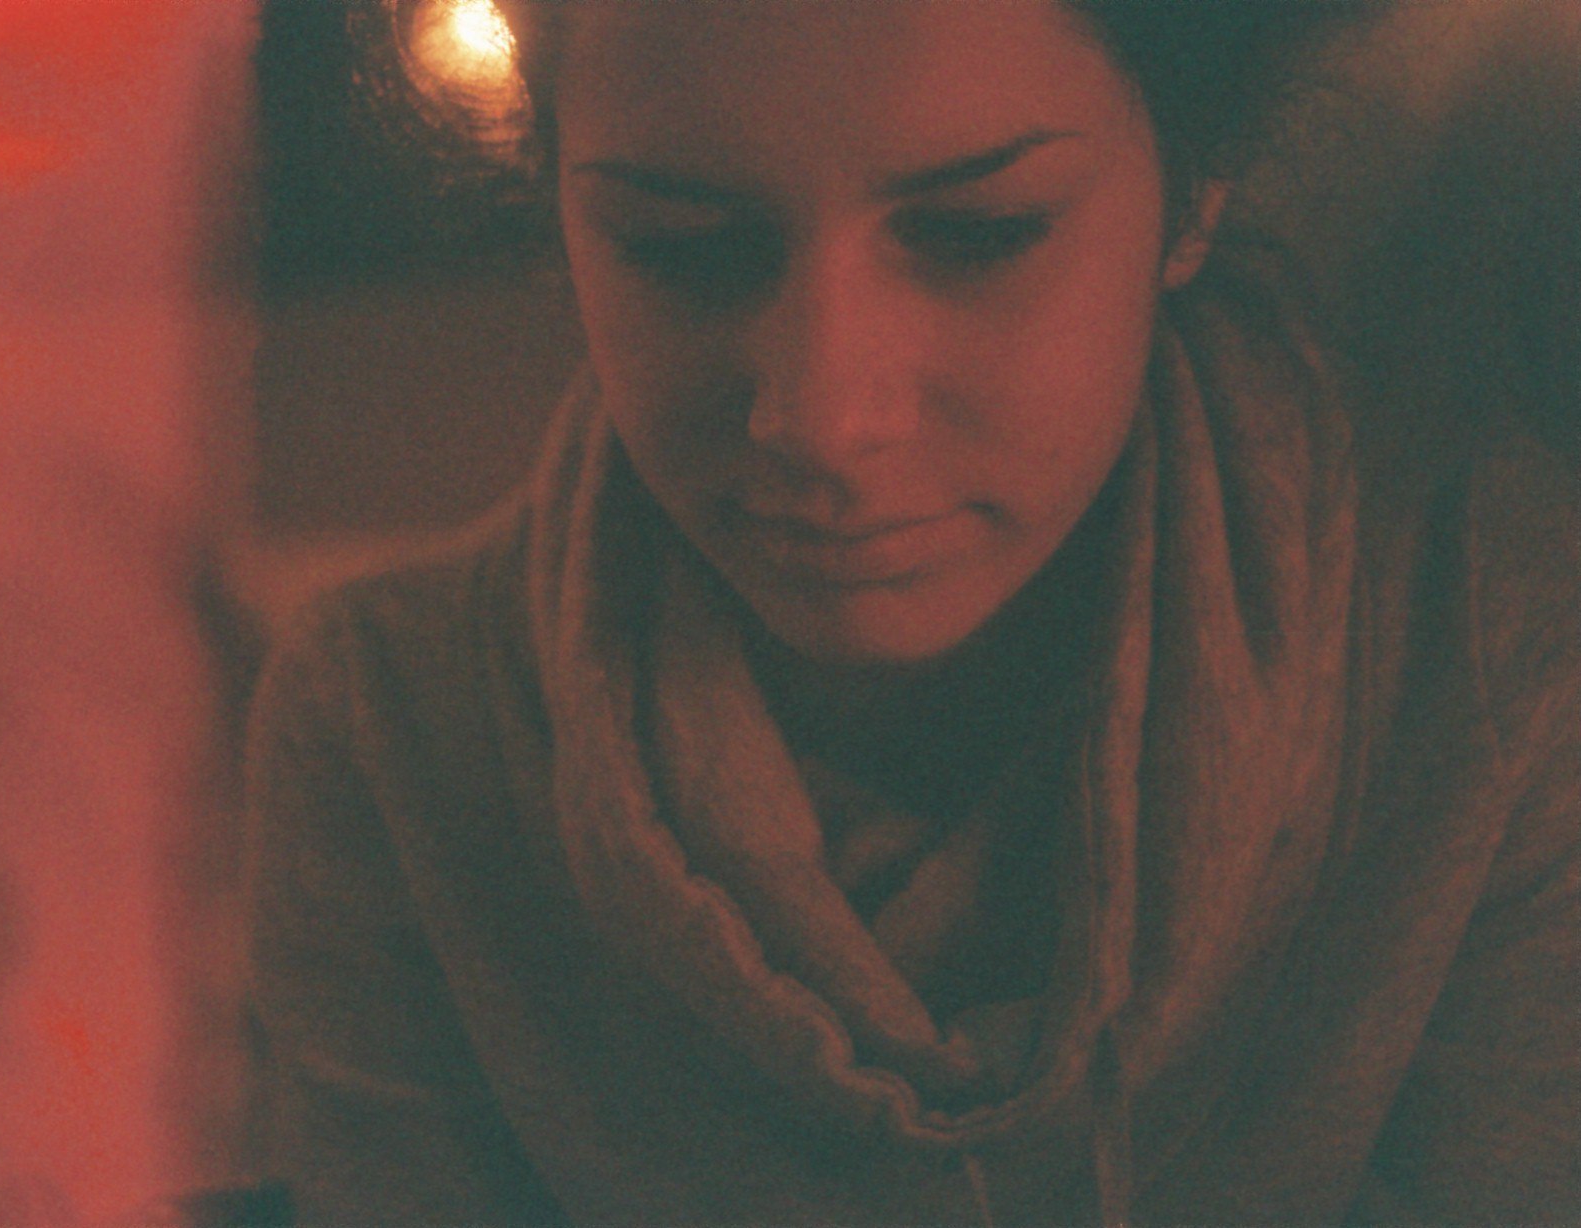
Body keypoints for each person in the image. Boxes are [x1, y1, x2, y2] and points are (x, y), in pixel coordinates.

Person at [242, 2, 1580, 1223]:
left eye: (978, 232)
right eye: (681, 248)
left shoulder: (1487, 657)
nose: (824, 417)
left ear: (1192, 194)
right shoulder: (395, 730)